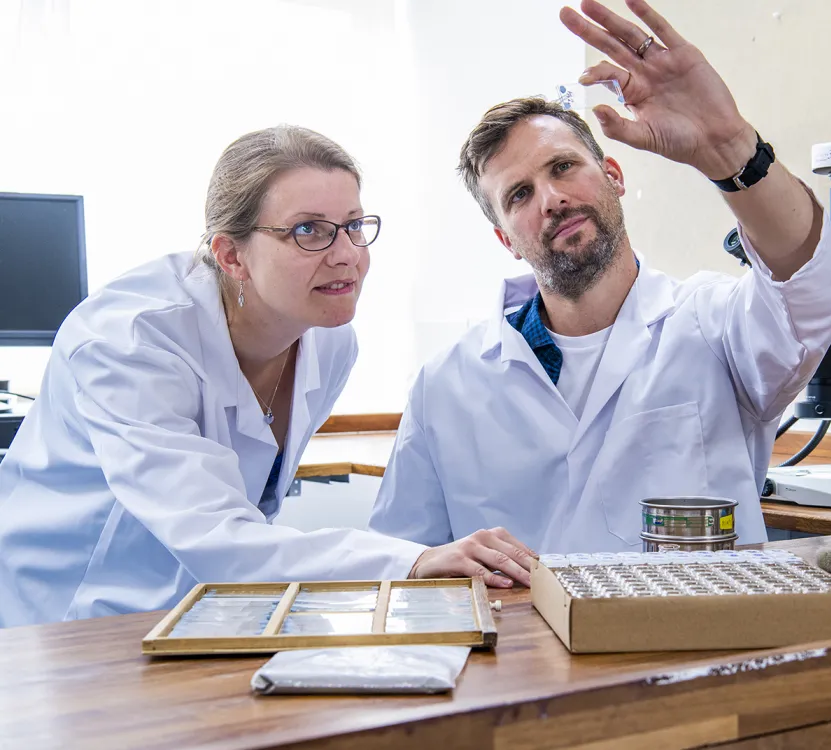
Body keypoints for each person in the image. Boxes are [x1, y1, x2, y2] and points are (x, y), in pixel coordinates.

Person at [369, 0, 831, 568]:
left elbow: (814, 287)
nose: (551, 199)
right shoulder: (447, 385)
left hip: (694, 645)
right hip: (521, 653)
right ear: (506, 240)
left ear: (613, 176)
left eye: (562, 167)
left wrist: (729, 146)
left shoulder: (712, 325)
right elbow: (400, 562)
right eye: (519, 195)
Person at [0, 126, 536, 627]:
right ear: (231, 254)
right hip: (61, 616)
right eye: (310, 231)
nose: (347, 255)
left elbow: (249, 519)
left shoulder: (329, 342)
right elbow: (214, 535)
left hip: (198, 609)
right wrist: (415, 560)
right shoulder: (129, 341)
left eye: (353, 226)